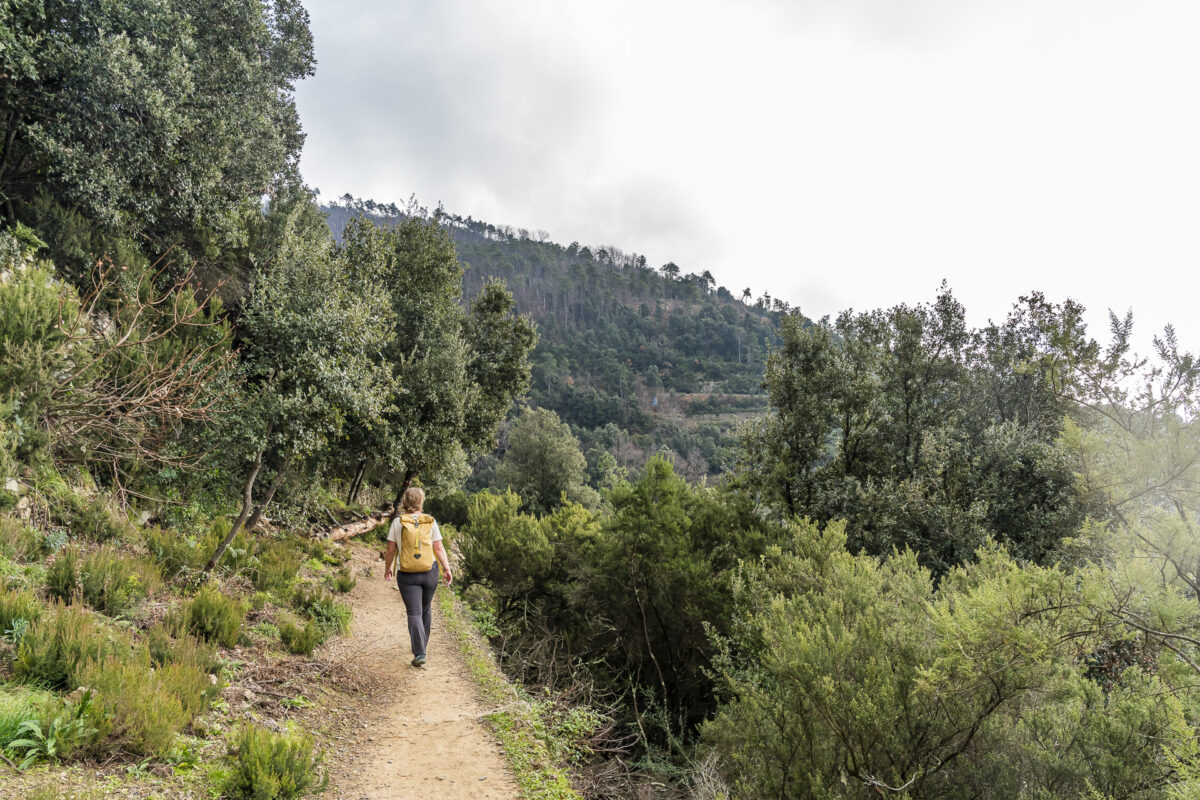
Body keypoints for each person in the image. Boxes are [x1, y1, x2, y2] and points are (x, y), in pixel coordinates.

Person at [383, 487, 453, 667]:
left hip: (407, 574)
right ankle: (422, 645)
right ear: (421, 502)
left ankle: (420, 652)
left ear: (405, 502)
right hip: (430, 572)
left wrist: (388, 568)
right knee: (426, 609)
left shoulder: (398, 522)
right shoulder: (430, 521)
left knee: (414, 612)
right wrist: (447, 568)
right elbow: (438, 548)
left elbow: (391, 550)